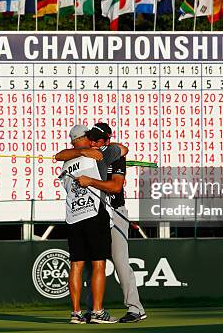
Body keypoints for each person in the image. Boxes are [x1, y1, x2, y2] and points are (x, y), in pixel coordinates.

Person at [55, 124, 127, 324]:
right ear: (85, 137)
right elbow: (122, 149)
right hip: (95, 213)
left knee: (76, 265)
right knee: (98, 264)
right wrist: (93, 150)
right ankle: (97, 311)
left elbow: (59, 155)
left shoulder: (66, 162)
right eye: (89, 136)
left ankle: (76, 313)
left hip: (73, 216)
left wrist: (80, 150)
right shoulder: (98, 154)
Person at [79, 123, 147, 323]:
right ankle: (93, 309)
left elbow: (116, 187)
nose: (93, 142)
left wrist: (91, 182)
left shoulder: (115, 155)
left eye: (97, 140)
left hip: (115, 212)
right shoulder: (88, 154)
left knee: (119, 261)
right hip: (94, 213)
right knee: (94, 263)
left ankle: (136, 308)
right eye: (91, 138)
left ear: (106, 141)